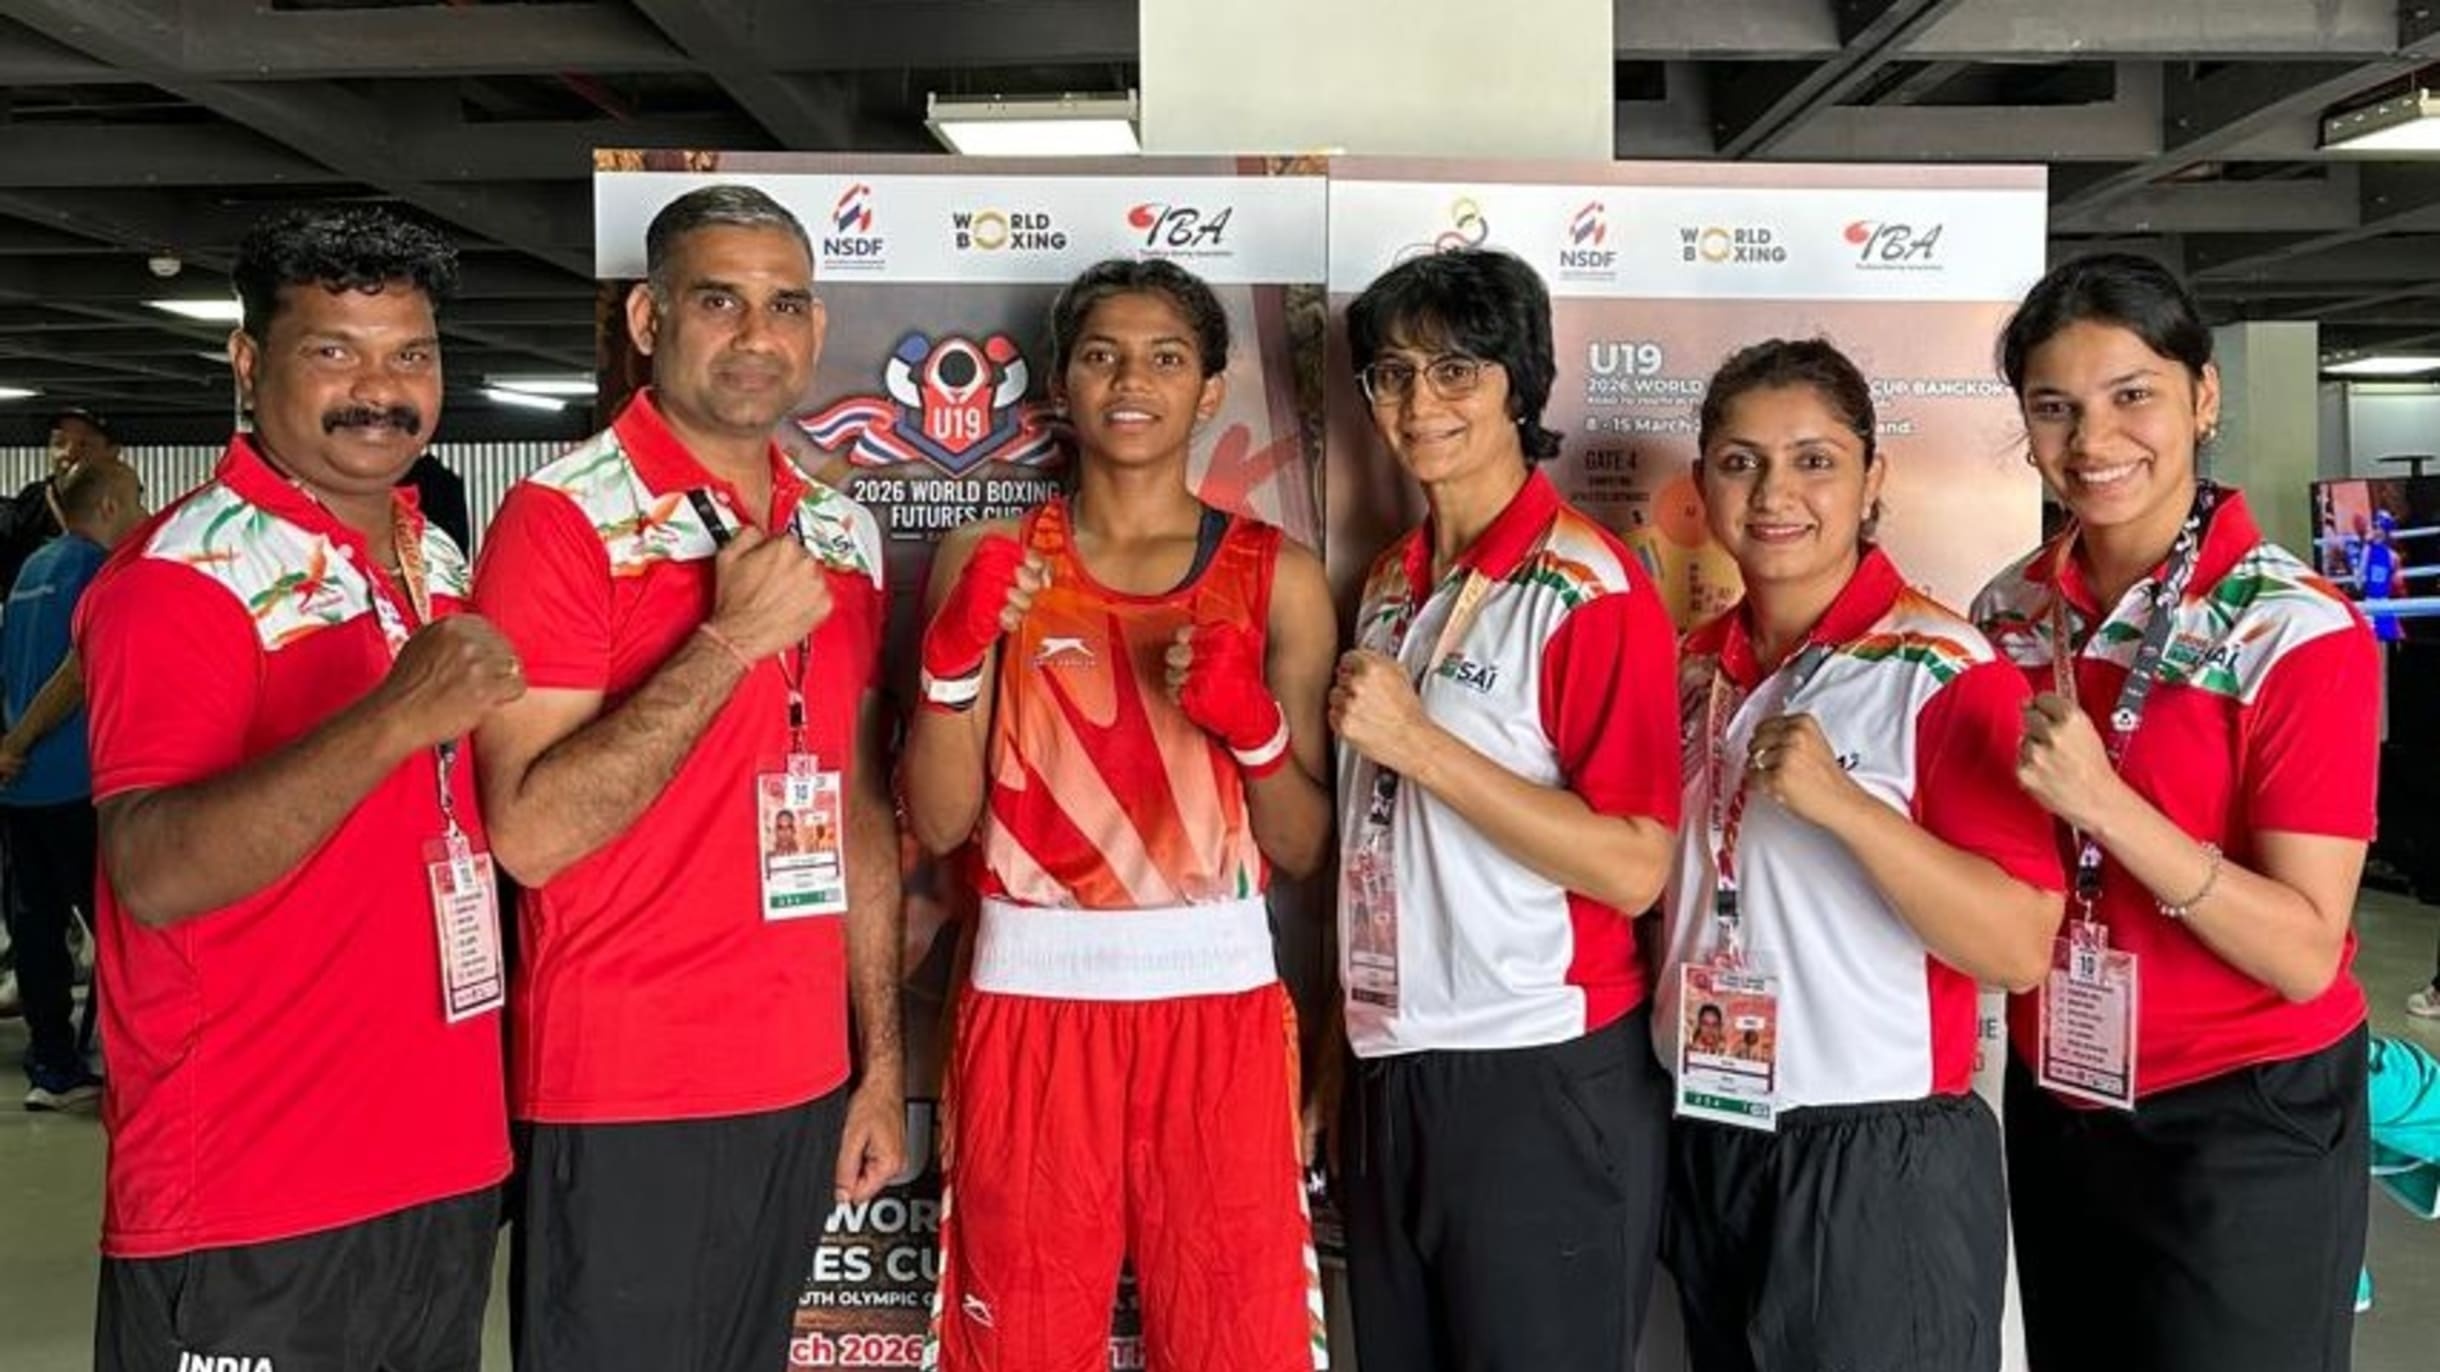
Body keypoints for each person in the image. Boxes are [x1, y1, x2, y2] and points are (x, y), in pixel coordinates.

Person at [76, 205, 523, 1372]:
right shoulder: (183, 578)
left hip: (439, 1166)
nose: (380, 390)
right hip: (254, 1187)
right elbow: (152, 870)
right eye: (334, 350)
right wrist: (393, 715)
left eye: (410, 355)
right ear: (247, 362)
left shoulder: (430, 555)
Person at [471, 184, 904, 1372]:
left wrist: (879, 1062)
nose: (757, 335)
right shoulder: (563, 519)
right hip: (627, 1080)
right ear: (648, 320)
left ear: (817, 328)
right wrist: (726, 643)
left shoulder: (841, 531)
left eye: (785, 305)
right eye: (720, 301)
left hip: (800, 1071)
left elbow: (858, 809)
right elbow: (529, 833)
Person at [904, 257, 1336, 1371]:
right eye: (1102, 354)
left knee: (1239, 1349)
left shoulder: (1277, 576)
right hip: (1031, 1012)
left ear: (1209, 388)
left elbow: (1301, 846)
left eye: (1165, 357)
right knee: (1017, 1350)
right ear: (1063, 383)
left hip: (1220, 1015)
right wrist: (949, 667)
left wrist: (1254, 731)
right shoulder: (991, 562)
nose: (1131, 380)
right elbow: (939, 825)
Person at [1972, 253, 2377, 1372]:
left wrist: (2107, 805)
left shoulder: (2291, 628)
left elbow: (2304, 951)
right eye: (2054, 407)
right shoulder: (2008, 612)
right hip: (2063, 1089)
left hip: (2244, 1111)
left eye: (2132, 395)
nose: (2092, 440)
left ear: (2203, 396)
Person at [1653, 339, 2064, 1372]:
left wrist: (1846, 809)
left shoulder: (1941, 667)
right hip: (1713, 1130)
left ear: (1873, 477)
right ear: (1702, 482)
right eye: (1741, 462)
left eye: (1814, 461)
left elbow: (2018, 945)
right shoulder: (1690, 667)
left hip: (1873, 1154)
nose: (1774, 493)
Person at [1327, 248, 1680, 1372]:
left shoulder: (1587, 585)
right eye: (1392, 375)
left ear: (1519, 386)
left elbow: (1634, 866)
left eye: (1455, 371)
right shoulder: (1390, 582)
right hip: (1392, 1060)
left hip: (1536, 1065)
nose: (1418, 403)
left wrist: (1422, 746)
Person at [0, 457, 145, 1110]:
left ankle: (52, 1067)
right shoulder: (101, 571)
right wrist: (24, 739)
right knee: (124, 933)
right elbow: (81, 672)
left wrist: (9, 747)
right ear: (109, 505)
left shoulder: (31, 570)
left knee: (38, 932)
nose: (144, 511)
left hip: (21, 788)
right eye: (136, 496)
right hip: (79, 780)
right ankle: (135, 1071)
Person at [0, 407, 117, 597]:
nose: (68, 454)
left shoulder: (125, 512)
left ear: (112, 452)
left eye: (84, 444)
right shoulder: (26, 512)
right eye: (59, 443)